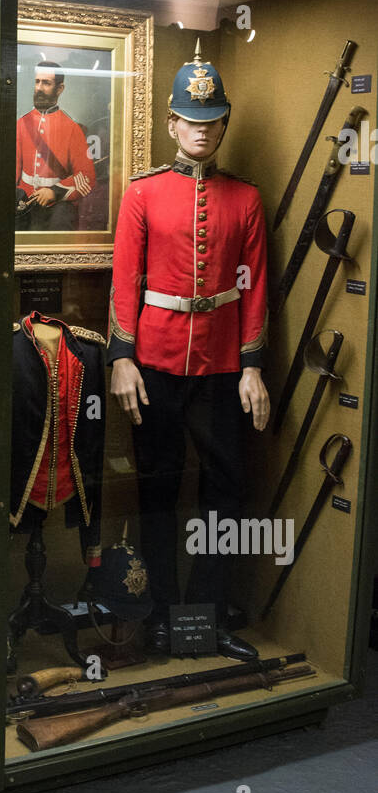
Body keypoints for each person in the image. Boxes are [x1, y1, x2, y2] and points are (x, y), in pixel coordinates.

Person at [107, 42, 269, 660]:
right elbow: (125, 279)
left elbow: (254, 286)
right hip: (154, 360)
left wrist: (252, 366)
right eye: (190, 122)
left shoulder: (246, 198)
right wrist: (122, 356)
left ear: (223, 124)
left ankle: (205, 613)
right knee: (157, 488)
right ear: (172, 124)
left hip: (223, 364)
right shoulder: (144, 193)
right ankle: (158, 616)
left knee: (225, 489)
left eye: (212, 122)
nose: (201, 132)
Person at [15, 60, 96, 230]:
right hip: (23, 203)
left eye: (46, 83)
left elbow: (87, 176)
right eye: (37, 82)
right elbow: (12, 170)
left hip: (56, 210)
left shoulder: (72, 129)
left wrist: (54, 192)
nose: (39, 88)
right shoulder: (22, 123)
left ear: (60, 89)